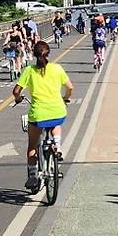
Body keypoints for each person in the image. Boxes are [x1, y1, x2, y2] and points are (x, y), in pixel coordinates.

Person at [13, 40, 73, 190]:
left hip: (38, 115)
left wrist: (18, 99)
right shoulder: (57, 68)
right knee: (55, 123)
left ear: (34, 55)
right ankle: (57, 146)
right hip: (58, 110)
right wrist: (65, 98)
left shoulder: (29, 70)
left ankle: (33, 175)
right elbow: (70, 87)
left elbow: (16, 91)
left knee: (32, 146)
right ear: (48, 54)